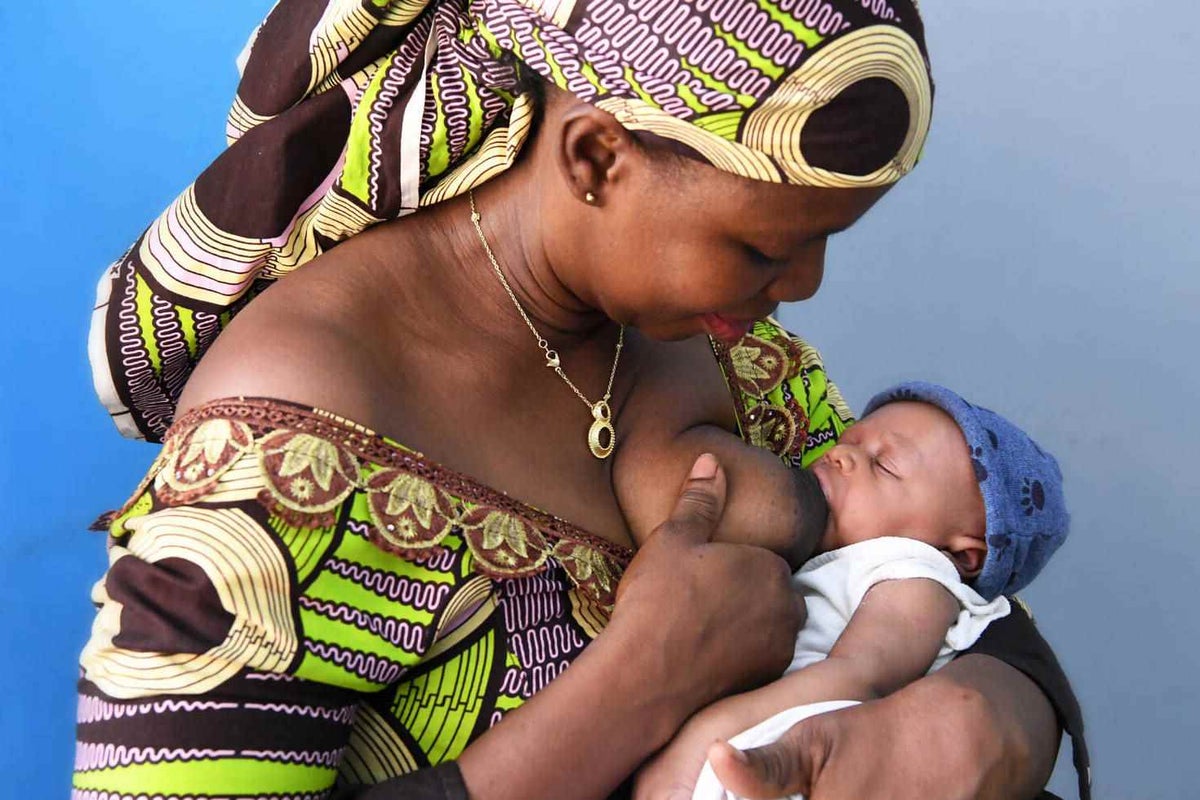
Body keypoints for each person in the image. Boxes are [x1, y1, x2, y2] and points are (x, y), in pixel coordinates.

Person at [75, 0, 1088, 798]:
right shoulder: (282, 455)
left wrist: (977, 727)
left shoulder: (723, 342)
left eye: (825, 239)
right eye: (765, 245)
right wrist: (639, 682)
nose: (806, 286)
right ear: (596, 155)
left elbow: (958, 567)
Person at [630, 381, 1069, 799]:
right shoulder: (840, 562)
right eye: (851, 440)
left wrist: (698, 744)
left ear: (962, 556)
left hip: (791, 758)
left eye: (884, 465)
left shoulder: (918, 577)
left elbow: (856, 677)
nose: (840, 454)